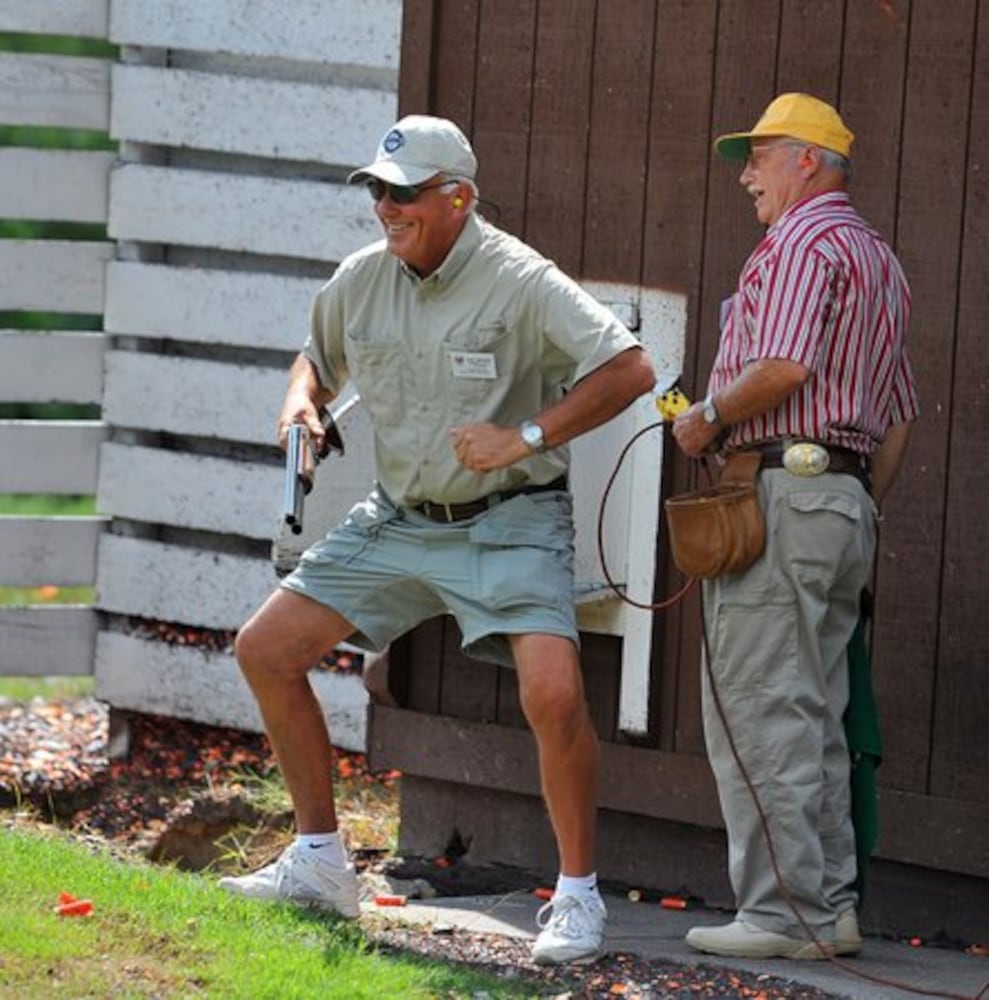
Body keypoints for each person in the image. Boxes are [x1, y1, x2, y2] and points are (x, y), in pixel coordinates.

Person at [218, 114, 656, 965]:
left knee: (554, 696)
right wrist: (298, 402)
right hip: (398, 515)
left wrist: (524, 436)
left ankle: (576, 898)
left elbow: (631, 368)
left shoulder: (520, 278)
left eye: (406, 192)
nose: (386, 206)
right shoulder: (361, 278)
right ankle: (318, 863)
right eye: (377, 190)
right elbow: (316, 357)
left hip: (511, 518)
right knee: (264, 650)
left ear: (458, 197)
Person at [672, 93, 918, 960]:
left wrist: (705, 418)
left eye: (759, 155)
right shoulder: (879, 260)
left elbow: (782, 364)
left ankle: (781, 917)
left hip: (782, 491)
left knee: (760, 711)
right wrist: (851, 504)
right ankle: (831, 910)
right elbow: (898, 422)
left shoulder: (802, 242)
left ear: (806, 161)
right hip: (842, 503)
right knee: (813, 713)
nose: (746, 175)